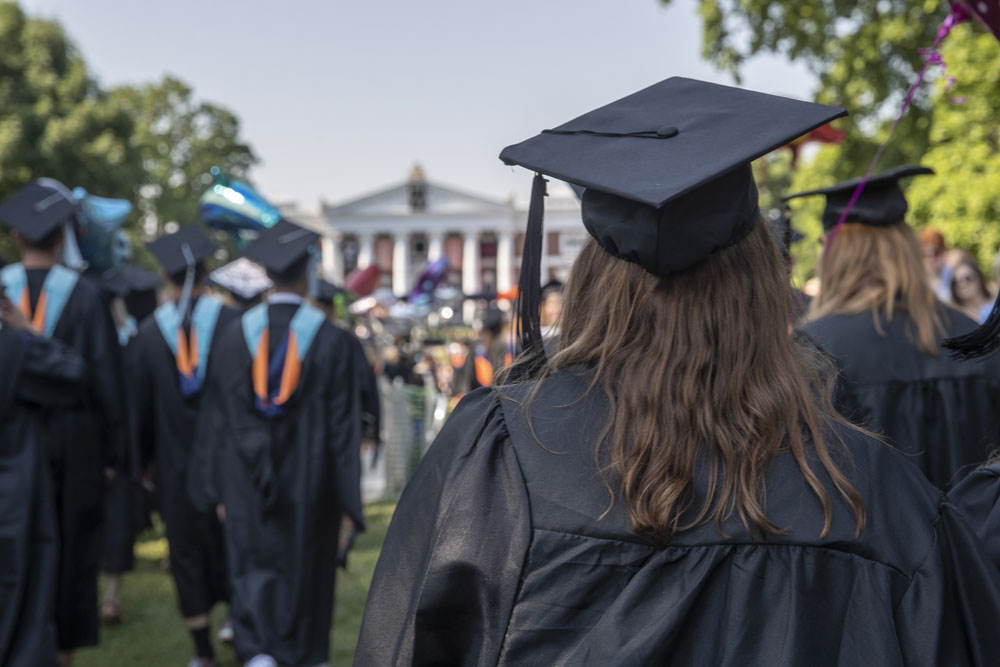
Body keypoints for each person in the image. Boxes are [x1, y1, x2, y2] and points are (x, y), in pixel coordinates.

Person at [355, 77, 1000, 665]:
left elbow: (408, 645)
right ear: (762, 281)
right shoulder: (873, 490)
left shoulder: (501, 454)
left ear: (592, 283)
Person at [189, 219, 365, 667]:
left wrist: (217, 488)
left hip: (244, 479)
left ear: (266, 273)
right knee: (309, 564)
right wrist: (349, 500)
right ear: (308, 274)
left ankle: (257, 651)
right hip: (313, 481)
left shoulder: (232, 336)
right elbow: (344, 428)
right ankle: (305, 652)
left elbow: (216, 420)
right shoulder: (335, 341)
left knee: (251, 561)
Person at [788, 166, 1000, 489]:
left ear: (835, 254)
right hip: (976, 520)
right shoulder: (975, 337)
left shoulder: (818, 347)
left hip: (869, 522)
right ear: (906, 248)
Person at [0, 180, 128, 666]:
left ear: (16, 237)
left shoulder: (2, 295)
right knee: (70, 559)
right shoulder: (88, 296)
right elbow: (107, 384)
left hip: (10, 451)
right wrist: (113, 456)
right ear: (62, 237)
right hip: (75, 451)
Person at [131, 225, 239, 667]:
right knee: (233, 544)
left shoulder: (146, 335)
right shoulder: (235, 325)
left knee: (186, 553)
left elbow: (138, 412)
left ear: (164, 275)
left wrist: (143, 464)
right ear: (208, 272)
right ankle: (238, 622)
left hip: (173, 466)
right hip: (230, 465)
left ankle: (202, 652)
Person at [0, 299, 86, 667]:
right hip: (13, 495)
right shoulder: (12, 349)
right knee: (23, 598)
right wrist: (28, 330)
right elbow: (72, 372)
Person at [951, 256, 994, 323]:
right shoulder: (955, 317)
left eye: (967, 278)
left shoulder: (996, 306)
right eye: (955, 282)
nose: (962, 285)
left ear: (979, 278)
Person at [918, 226, 952, 301]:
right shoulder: (914, 281)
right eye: (924, 254)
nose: (931, 259)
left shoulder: (955, 275)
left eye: (936, 253)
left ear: (944, 252)